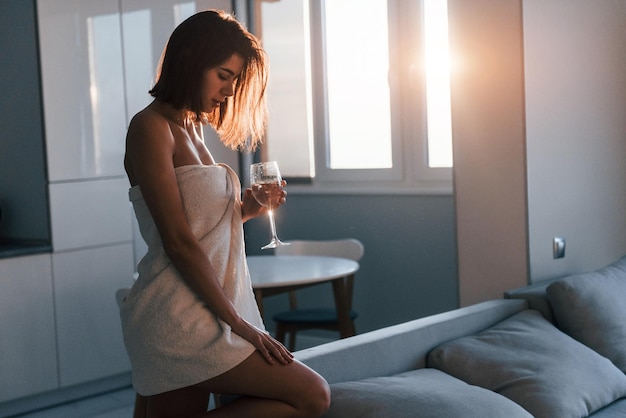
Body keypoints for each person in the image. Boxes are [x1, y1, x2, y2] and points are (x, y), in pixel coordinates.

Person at [119, 9, 330, 418]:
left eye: (234, 79)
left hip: (207, 312)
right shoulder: (150, 129)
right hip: (179, 318)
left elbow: (203, 229)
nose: (229, 90)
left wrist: (246, 209)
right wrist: (240, 324)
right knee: (312, 396)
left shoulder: (195, 127)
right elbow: (178, 242)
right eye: (223, 75)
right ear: (191, 60)